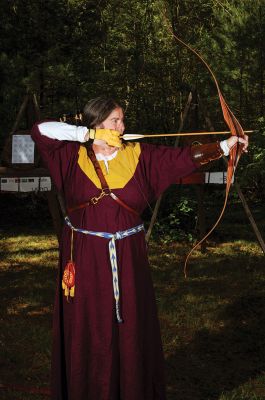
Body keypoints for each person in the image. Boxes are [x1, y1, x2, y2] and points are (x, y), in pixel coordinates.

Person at [31, 96, 248, 400]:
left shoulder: (140, 155)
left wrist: (225, 146)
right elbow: (40, 130)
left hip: (128, 258)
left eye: (122, 120)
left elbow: (184, 158)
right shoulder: (69, 156)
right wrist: (88, 136)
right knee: (89, 324)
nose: (121, 127)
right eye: (114, 121)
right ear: (96, 123)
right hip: (84, 257)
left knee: (130, 326)